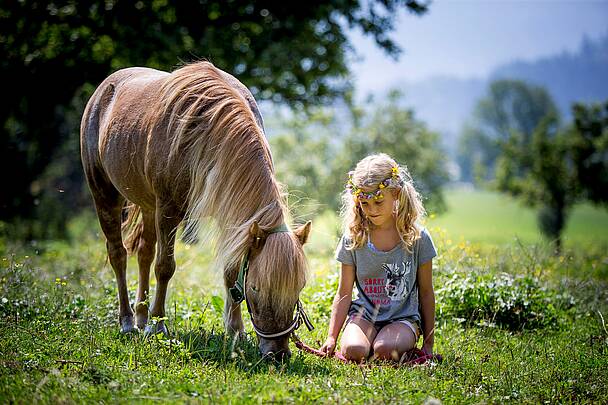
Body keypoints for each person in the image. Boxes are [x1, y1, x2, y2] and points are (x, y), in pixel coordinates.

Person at [319, 153, 437, 362]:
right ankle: (366, 342)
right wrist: (331, 337)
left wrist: (428, 343)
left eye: (379, 202)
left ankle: (391, 343)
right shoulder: (354, 237)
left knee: (385, 350)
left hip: (403, 319)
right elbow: (344, 292)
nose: (371, 211)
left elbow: (426, 292)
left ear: (397, 194)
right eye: (364, 204)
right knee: (354, 350)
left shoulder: (417, 238)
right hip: (364, 316)